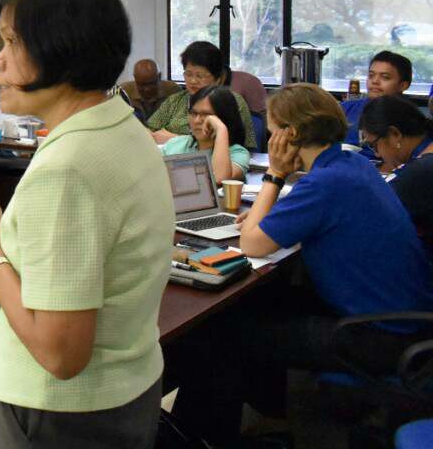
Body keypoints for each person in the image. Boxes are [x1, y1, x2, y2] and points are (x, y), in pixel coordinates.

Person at [0, 0, 173, 449]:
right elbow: (80, 280)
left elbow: (60, 353)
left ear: (61, 52)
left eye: (11, 43)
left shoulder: (67, 167)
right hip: (120, 393)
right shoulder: (121, 127)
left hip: (57, 412)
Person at [171, 83, 433, 445]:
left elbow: (252, 242)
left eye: (274, 128)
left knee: (222, 335)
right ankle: (268, 404)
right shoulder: (350, 163)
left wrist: (275, 175)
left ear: (289, 134)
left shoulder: (324, 184)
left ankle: (203, 437)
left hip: (378, 335)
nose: (272, 134)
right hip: (404, 318)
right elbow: (266, 226)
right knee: (254, 304)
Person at [146, 42, 256, 148]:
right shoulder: (175, 101)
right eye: (188, 74)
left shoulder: (232, 101)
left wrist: (177, 140)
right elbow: (148, 128)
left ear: (218, 79)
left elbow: (239, 144)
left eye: (200, 76)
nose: (193, 81)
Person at [359, 95, 433, 239]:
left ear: (395, 134)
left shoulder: (420, 171)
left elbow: (369, 211)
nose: (378, 154)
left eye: (375, 145)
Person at [160, 85, 250, 181]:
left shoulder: (238, 153)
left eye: (207, 115)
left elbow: (219, 178)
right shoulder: (175, 144)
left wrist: (221, 129)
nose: (197, 120)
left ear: (224, 118)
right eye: (193, 113)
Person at [342, 50, 413, 147]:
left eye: (385, 77)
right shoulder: (344, 109)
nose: (375, 81)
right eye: (371, 75)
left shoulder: (411, 118)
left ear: (403, 85)